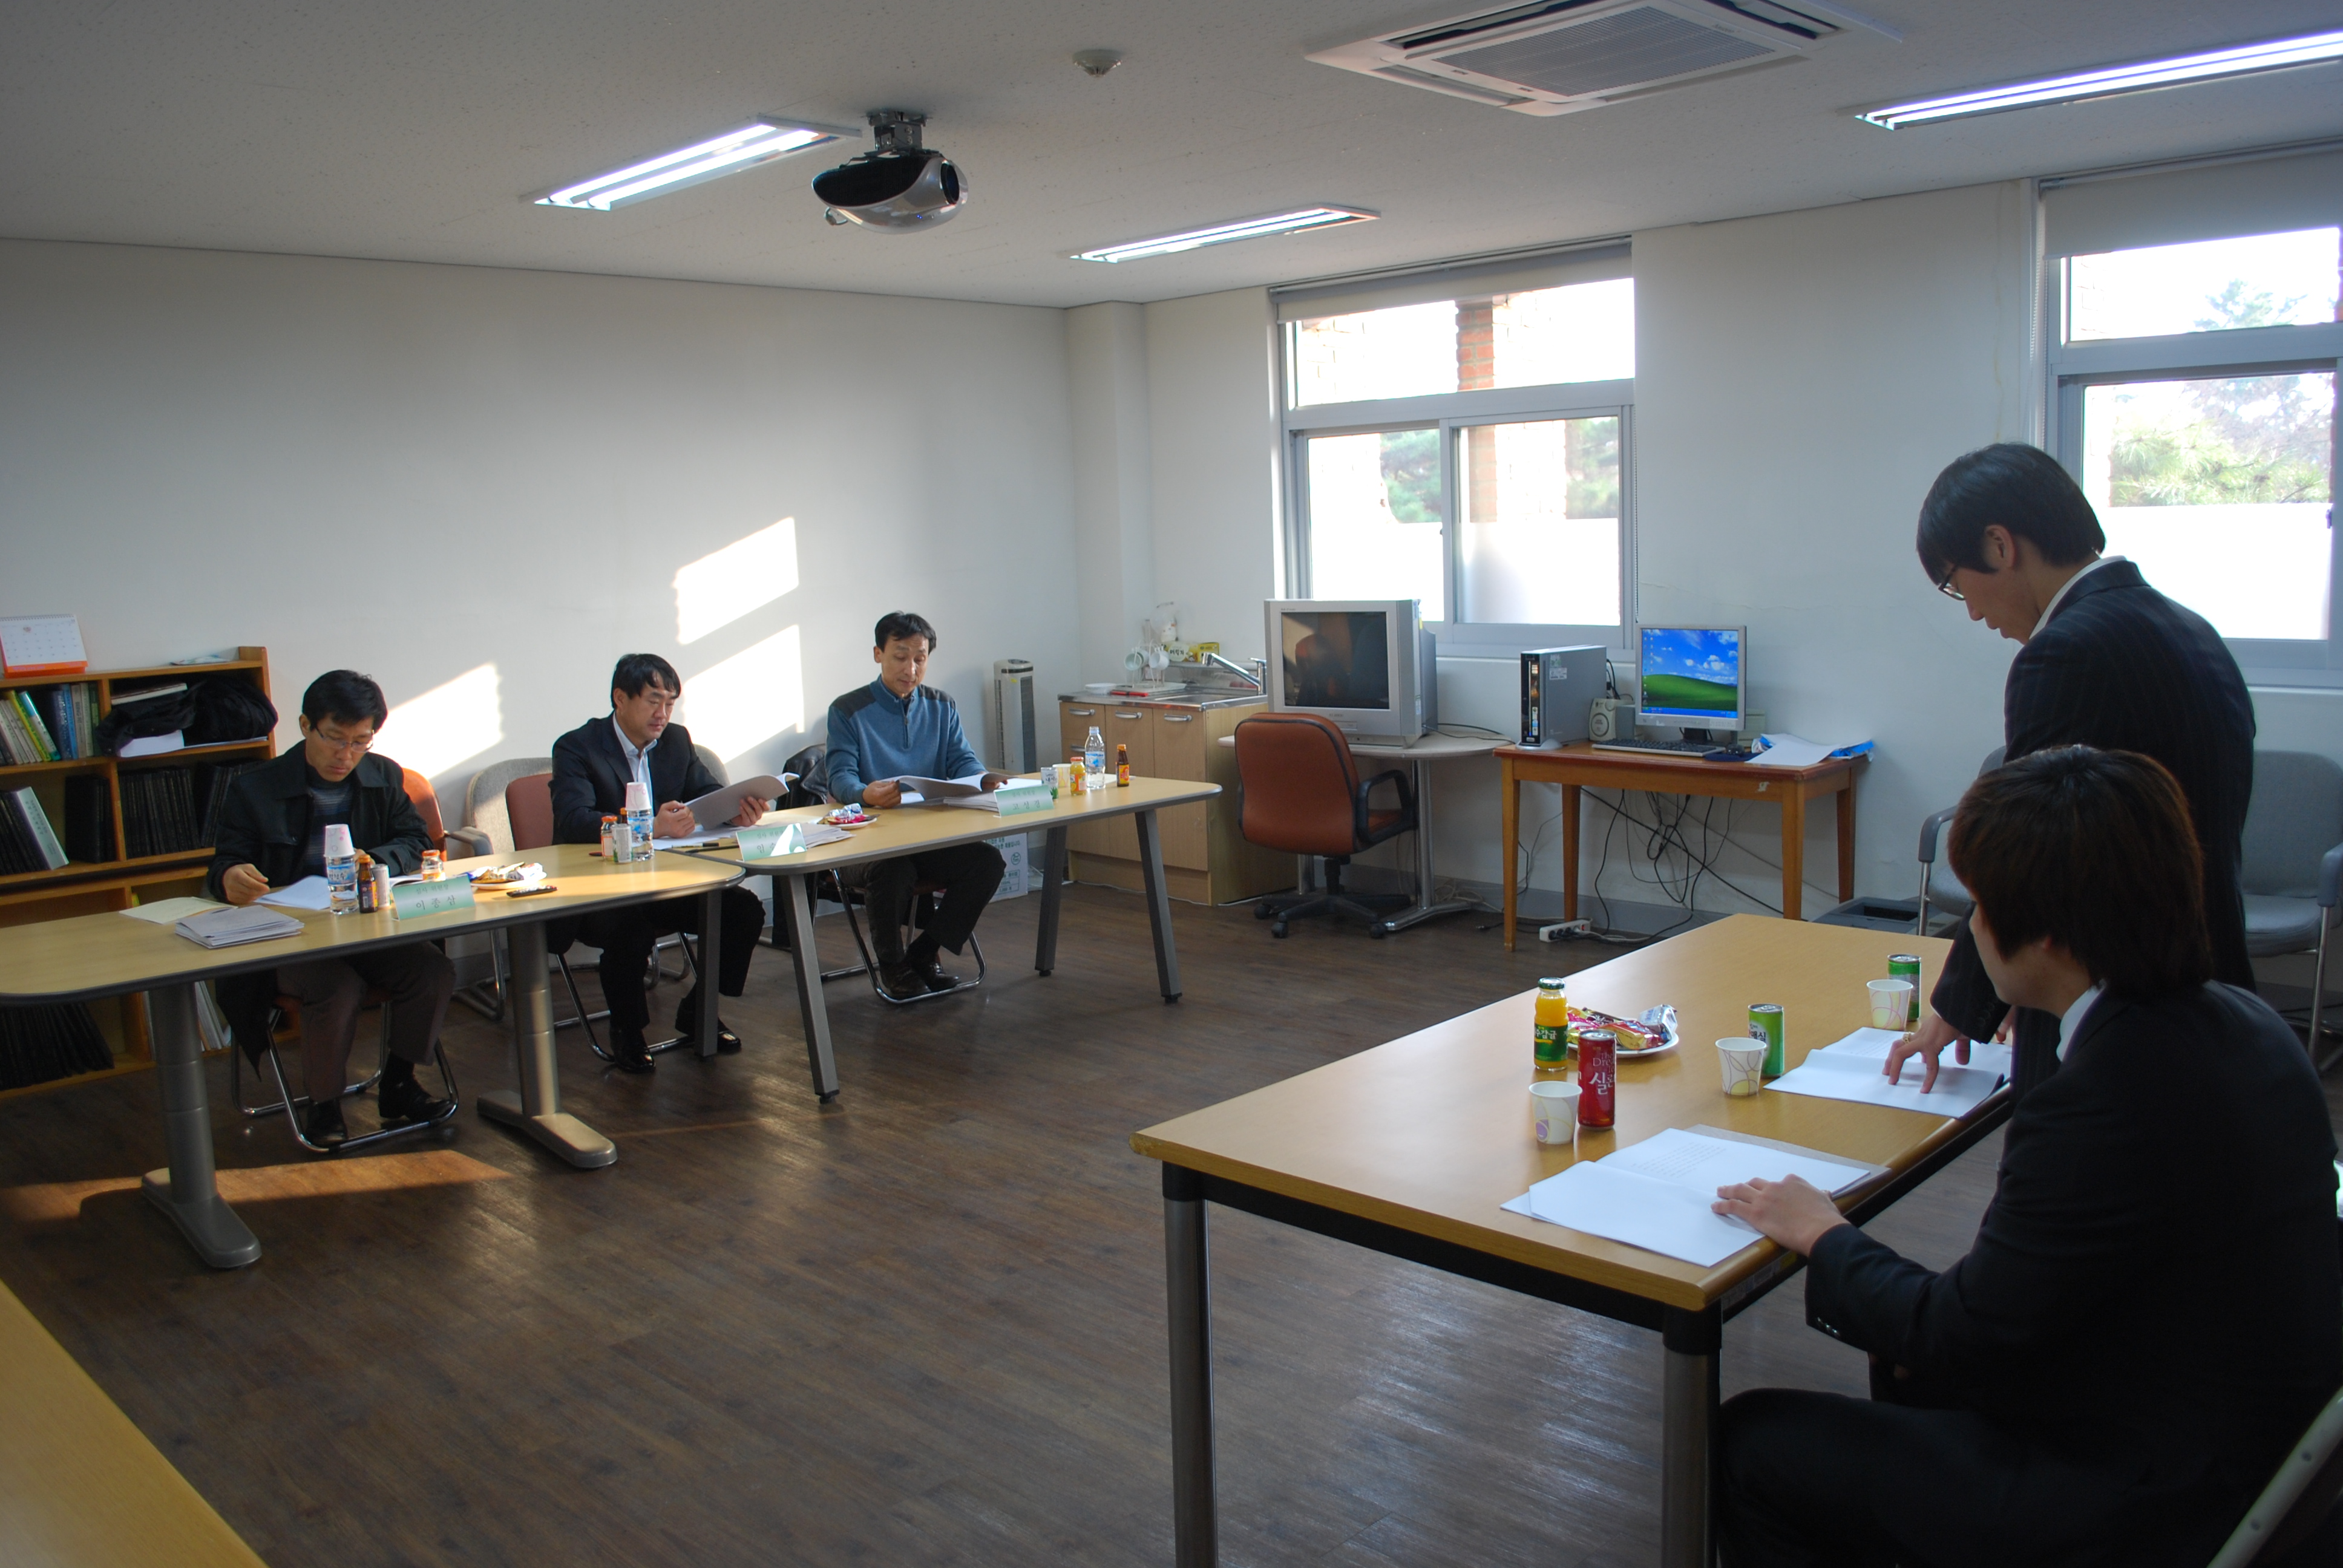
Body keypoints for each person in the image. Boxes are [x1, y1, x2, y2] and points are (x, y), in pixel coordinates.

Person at [1712, 746, 2338, 1568]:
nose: (1972, 929)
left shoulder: (2103, 1097)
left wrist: (1823, 1234)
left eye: (1979, 906)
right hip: (2275, 1456)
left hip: (2161, 1496)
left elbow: (1961, 1336)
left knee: (1750, 1443)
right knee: (1906, 1370)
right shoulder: (2248, 1025)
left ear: (2042, 935)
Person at [1893, 442, 2255, 1103]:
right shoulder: (2189, 628)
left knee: (2072, 1163)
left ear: (1999, 545)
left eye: (1955, 583)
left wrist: (1959, 1004)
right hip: (2211, 982)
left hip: (2109, 1002)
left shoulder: (2064, 653)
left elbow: (2022, 860)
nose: (1970, 611)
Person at [208, 670, 454, 1151]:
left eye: (361, 742)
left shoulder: (383, 775)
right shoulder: (255, 788)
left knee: (432, 970)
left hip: (363, 927)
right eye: (335, 739)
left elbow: (414, 840)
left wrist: (375, 860)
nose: (346, 755)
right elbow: (224, 864)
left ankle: (399, 1082)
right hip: (291, 937)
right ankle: (324, 1104)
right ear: (306, 726)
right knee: (337, 987)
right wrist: (229, 877)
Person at [549, 653, 768, 1073]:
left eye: (670, 703)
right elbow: (574, 820)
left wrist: (735, 813)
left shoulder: (676, 741)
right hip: (598, 890)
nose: (663, 714)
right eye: (653, 701)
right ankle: (628, 1030)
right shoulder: (578, 747)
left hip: (666, 882)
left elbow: (707, 795)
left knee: (743, 911)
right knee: (631, 929)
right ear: (620, 698)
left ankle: (699, 1011)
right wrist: (648, 827)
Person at [822, 612, 1006, 999]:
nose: (911, 669)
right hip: (867, 845)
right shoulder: (847, 710)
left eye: (920, 659)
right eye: (900, 657)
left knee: (987, 863)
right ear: (878, 654)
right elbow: (839, 777)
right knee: (892, 869)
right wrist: (865, 794)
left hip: (926, 838)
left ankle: (923, 953)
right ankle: (892, 965)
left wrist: (981, 778)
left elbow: (961, 760)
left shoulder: (941, 705)